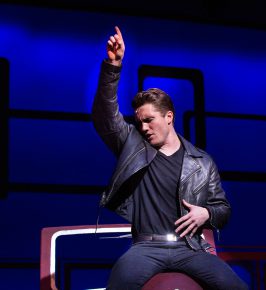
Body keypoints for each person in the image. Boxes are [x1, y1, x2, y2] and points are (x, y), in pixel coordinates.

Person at [92, 26, 248, 290]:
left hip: (190, 248)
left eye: (149, 120)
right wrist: (113, 65)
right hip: (146, 247)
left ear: (169, 117)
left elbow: (224, 211)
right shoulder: (132, 145)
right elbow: (104, 116)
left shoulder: (201, 162)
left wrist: (205, 213)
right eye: (139, 122)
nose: (143, 127)